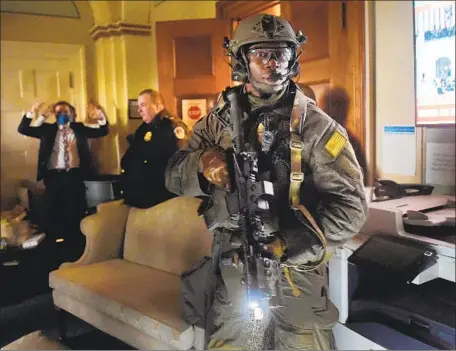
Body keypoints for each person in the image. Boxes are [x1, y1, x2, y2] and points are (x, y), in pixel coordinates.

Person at [166, 13, 368, 350]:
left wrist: (287, 241)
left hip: (296, 277)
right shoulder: (216, 124)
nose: (273, 63)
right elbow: (173, 175)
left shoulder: (318, 129)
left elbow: (351, 209)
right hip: (233, 271)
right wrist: (201, 164)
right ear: (242, 60)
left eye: (282, 54)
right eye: (262, 54)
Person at [18, 99, 109, 261]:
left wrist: (100, 116)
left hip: (75, 177)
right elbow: (23, 129)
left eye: (65, 112)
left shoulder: (79, 128)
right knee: (52, 213)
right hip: (54, 178)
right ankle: (54, 253)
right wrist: (33, 113)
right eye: (58, 112)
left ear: (72, 113)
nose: (62, 115)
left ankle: (76, 251)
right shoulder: (47, 130)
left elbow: (103, 131)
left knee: (76, 212)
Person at [120, 89, 189, 208]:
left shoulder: (171, 126)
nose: (139, 110)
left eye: (143, 105)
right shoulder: (144, 128)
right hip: (142, 197)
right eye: (138, 106)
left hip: (161, 199)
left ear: (157, 106)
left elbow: (179, 163)